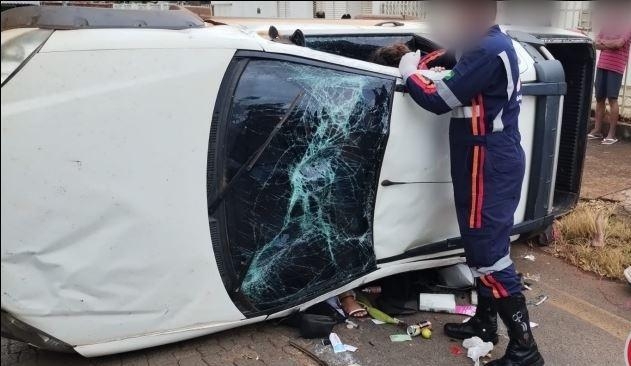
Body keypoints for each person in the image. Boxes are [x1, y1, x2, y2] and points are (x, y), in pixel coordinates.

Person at [398, 2, 543, 365]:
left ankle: (525, 349)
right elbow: (449, 60)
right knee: (477, 247)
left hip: (488, 164)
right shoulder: (481, 43)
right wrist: (424, 61)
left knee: (489, 255)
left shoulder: (488, 49)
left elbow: (437, 99)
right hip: (481, 160)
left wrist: (409, 74)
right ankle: (484, 323)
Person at [588, 4, 631, 145]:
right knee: (599, 98)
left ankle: (611, 134)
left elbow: (619, 43)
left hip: (616, 67)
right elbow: (596, 43)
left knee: (612, 99)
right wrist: (608, 44)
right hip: (602, 65)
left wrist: (605, 43)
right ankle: (597, 130)